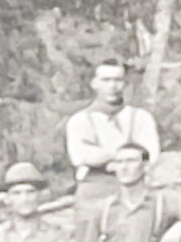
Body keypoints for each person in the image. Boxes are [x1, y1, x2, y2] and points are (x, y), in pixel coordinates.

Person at [63, 58, 160, 214]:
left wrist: (105, 157)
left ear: (125, 83)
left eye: (117, 80)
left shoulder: (141, 117)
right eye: (106, 80)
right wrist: (128, 155)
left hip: (134, 190)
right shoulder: (80, 120)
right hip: (94, 192)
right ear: (94, 83)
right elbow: (79, 156)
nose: (112, 86)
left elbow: (152, 155)